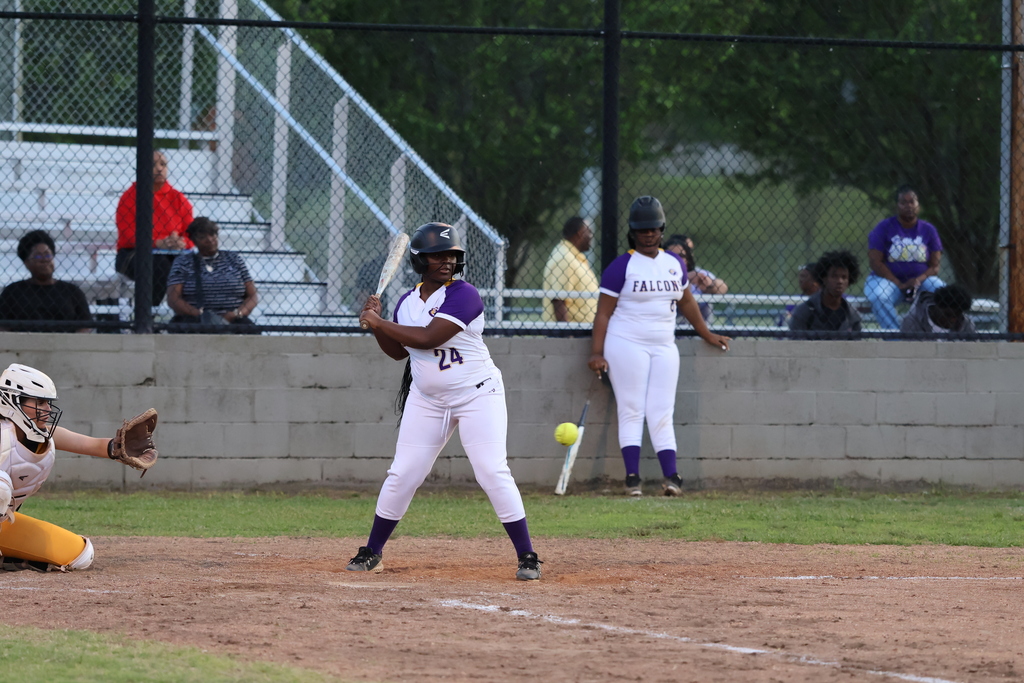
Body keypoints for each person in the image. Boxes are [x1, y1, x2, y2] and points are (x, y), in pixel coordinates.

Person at [353, 222, 543, 581]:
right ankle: (372, 552)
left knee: (491, 470)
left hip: (477, 394)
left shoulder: (464, 295)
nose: (446, 261)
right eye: (437, 255)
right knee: (403, 473)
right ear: (420, 260)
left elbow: (428, 338)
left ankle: (527, 555)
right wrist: (378, 325)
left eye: (452, 255)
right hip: (427, 400)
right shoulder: (406, 303)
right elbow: (399, 352)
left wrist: (378, 321)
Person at [588, 197, 731, 497]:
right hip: (626, 344)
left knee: (662, 410)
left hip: (665, 345)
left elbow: (687, 302)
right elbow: (603, 313)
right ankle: (632, 479)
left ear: (662, 229)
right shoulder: (621, 266)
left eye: (653, 229)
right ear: (633, 232)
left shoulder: (674, 263)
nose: (648, 235)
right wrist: (597, 352)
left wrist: (706, 334)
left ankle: (672, 476)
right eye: (642, 230)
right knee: (632, 408)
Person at [0, 363, 158, 571]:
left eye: (48, 402)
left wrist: (116, 447)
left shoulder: (43, 435)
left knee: (80, 555)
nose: (48, 409)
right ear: (12, 401)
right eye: (40, 402)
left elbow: (88, 444)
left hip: (4, 524)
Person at [115, 150, 194, 305]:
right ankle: (148, 312)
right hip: (134, 254)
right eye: (153, 165)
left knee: (193, 265)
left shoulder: (178, 198)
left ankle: (189, 314)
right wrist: (156, 243)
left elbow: (191, 232)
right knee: (159, 265)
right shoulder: (130, 197)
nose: (159, 169)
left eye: (163, 164)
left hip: (173, 253)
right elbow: (128, 236)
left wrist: (181, 243)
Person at [864, 185, 945, 329]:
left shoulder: (928, 230)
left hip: (921, 283)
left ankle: (931, 334)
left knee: (942, 292)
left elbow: (935, 266)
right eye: (903, 202)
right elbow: (875, 262)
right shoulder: (883, 227)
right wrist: (898, 283)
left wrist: (917, 280)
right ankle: (896, 338)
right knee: (879, 296)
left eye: (912, 201)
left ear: (918, 205)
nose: (908, 206)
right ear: (897, 206)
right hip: (887, 281)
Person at [166, 217, 259, 330]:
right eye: (202, 237)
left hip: (233, 318)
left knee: (250, 330)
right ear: (193, 240)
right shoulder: (183, 262)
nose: (209, 240)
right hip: (196, 318)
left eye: (212, 234)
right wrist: (199, 314)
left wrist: (237, 314)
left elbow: (252, 295)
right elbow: (173, 298)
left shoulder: (234, 259)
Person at [0, 230, 92, 333]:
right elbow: (2, 327)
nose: (44, 260)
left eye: (48, 255)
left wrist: (72, 341)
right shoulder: (13, 292)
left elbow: (85, 326)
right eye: (38, 256)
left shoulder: (72, 291)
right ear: (26, 263)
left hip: (64, 342)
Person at [541, 216, 599, 323]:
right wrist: (566, 331)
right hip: (573, 331)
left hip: (582, 330)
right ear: (580, 233)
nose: (591, 237)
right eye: (589, 232)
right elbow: (559, 301)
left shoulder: (572, 257)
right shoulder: (565, 258)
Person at [789, 250, 862, 333]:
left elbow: (857, 340)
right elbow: (795, 339)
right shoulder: (804, 311)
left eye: (844, 277)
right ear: (824, 278)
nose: (840, 281)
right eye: (834, 276)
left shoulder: (852, 315)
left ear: (849, 281)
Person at [663, 233, 727, 322]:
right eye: (673, 256)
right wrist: (686, 279)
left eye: (682, 256)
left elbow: (723, 288)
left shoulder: (698, 273)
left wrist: (710, 284)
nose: (677, 259)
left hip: (701, 328)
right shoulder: (659, 276)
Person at [900, 284, 977, 335]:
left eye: (957, 316)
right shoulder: (913, 321)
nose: (953, 320)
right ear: (937, 307)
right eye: (948, 315)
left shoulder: (966, 323)